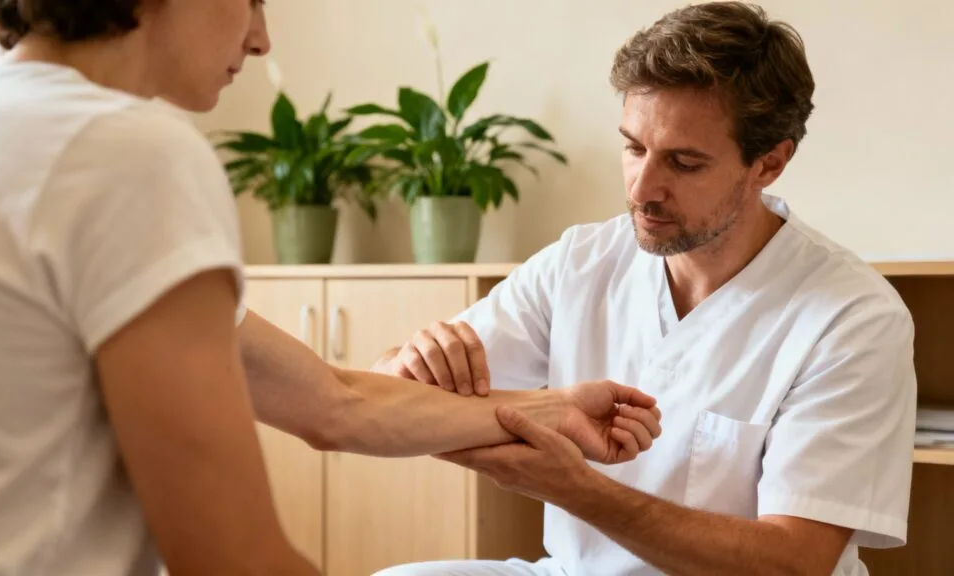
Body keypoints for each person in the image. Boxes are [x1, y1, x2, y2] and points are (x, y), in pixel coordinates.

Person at [0, 1, 663, 575]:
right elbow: (231, 559)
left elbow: (332, 404)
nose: (261, 39)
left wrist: (552, 407)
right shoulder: (121, 154)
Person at [371, 2, 918, 575]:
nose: (642, 189)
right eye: (634, 148)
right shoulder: (581, 262)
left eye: (683, 163)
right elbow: (388, 398)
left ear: (770, 163)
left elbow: (793, 562)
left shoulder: (852, 316)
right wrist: (407, 362)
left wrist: (577, 489)